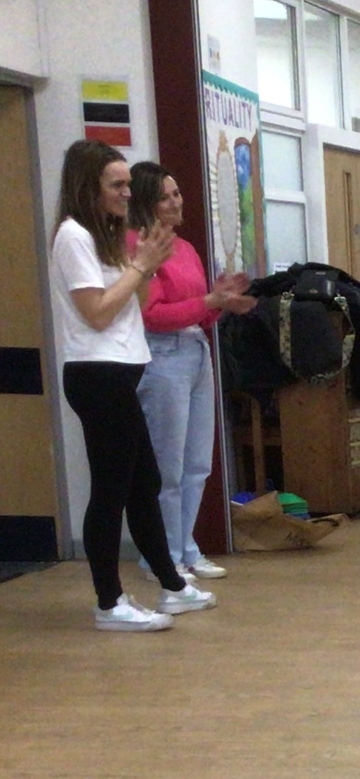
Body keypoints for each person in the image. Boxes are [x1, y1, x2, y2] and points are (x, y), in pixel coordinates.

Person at [48, 140, 215, 631]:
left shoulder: (106, 235)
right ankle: (109, 603)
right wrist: (141, 266)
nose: (127, 192)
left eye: (127, 184)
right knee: (112, 492)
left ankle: (172, 586)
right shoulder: (73, 236)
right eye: (116, 184)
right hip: (96, 375)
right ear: (89, 187)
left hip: (122, 372)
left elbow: (135, 306)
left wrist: (147, 263)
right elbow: (97, 314)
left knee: (144, 485)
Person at [127, 161, 252, 585]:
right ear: (145, 203)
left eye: (177, 193)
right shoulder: (137, 245)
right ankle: (160, 557)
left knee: (197, 463)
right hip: (162, 356)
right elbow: (151, 315)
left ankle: (186, 548)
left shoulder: (185, 247)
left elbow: (198, 311)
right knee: (167, 466)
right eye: (164, 197)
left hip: (196, 350)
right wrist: (209, 302)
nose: (175, 202)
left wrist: (220, 301)